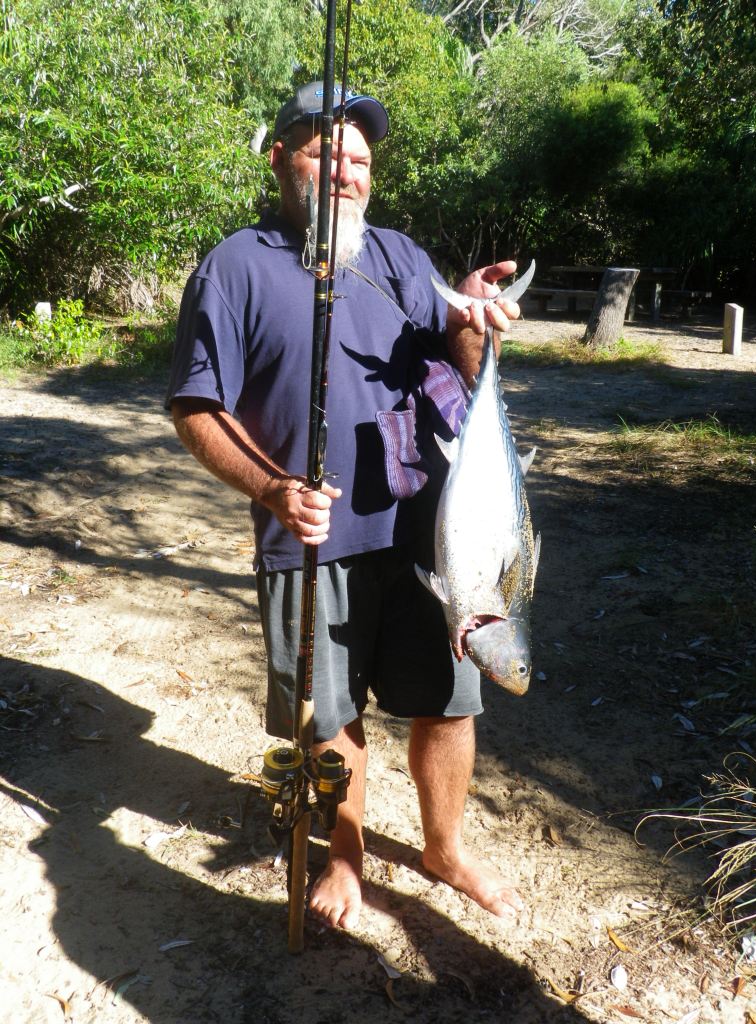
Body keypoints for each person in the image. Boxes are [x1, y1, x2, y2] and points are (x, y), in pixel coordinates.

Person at [167, 81, 523, 931]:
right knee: (331, 711)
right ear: (281, 157)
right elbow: (195, 407)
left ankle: (443, 848)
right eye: (328, 153)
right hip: (311, 535)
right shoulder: (234, 267)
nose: (347, 173)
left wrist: (474, 314)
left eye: (361, 160)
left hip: (430, 532)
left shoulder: (401, 256)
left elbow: (461, 359)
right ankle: (347, 857)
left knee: (449, 698)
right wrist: (271, 489)